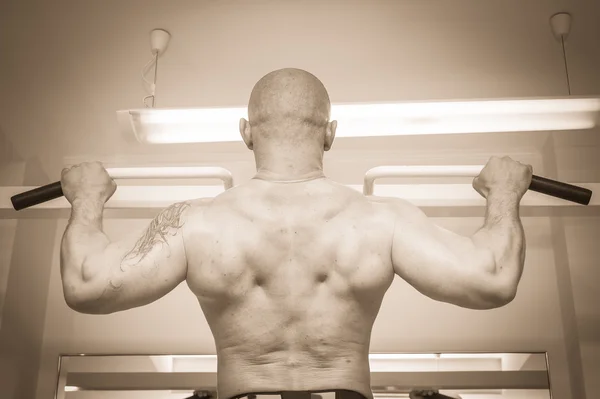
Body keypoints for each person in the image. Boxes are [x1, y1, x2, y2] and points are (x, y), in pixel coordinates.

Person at [59, 68, 532, 399]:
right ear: (330, 133)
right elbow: (492, 277)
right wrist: (504, 193)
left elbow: (86, 283)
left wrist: (86, 198)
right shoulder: (382, 219)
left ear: (246, 132)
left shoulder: (195, 223)